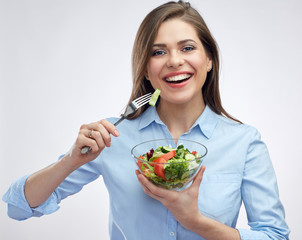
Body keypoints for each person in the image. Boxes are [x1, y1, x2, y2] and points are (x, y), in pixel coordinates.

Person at [3, 1, 290, 239]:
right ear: (145, 70)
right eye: (158, 52)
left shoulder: (244, 141)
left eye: (187, 48)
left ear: (210, 60)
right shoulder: (113, 136)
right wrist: (70, 161)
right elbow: (18, 207)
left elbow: (275, 235)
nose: (174, 60)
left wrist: (195, 222)